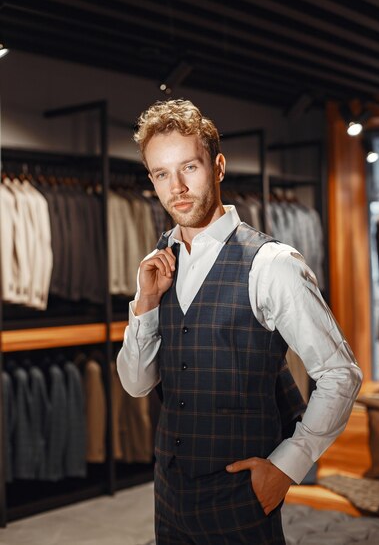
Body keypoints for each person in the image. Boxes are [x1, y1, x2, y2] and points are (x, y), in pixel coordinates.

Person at [117, 99, 363, 544]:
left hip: (242, 496)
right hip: (169, 496)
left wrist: (288, 467)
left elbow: (340, 374)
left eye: (188, 167)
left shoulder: (272, 264)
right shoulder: (158, 265)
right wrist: (146, 304)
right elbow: (137, 383)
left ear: (218, 167)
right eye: (161, 173)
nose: (177, 187)